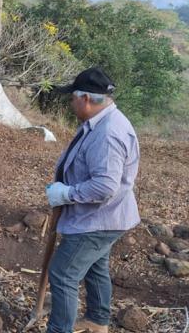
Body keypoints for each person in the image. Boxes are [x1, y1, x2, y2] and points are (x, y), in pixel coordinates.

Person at [45, 67, 140, 333]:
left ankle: (58, 329)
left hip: (98, 219)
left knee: (63, 273)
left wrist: (66, 194)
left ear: (85, 98)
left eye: (72, 98)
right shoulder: (101, 122)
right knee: (95, 267)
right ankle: (98, 321)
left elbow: (104, 186)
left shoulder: (108, 133)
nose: (71, 103)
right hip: (106, 216)